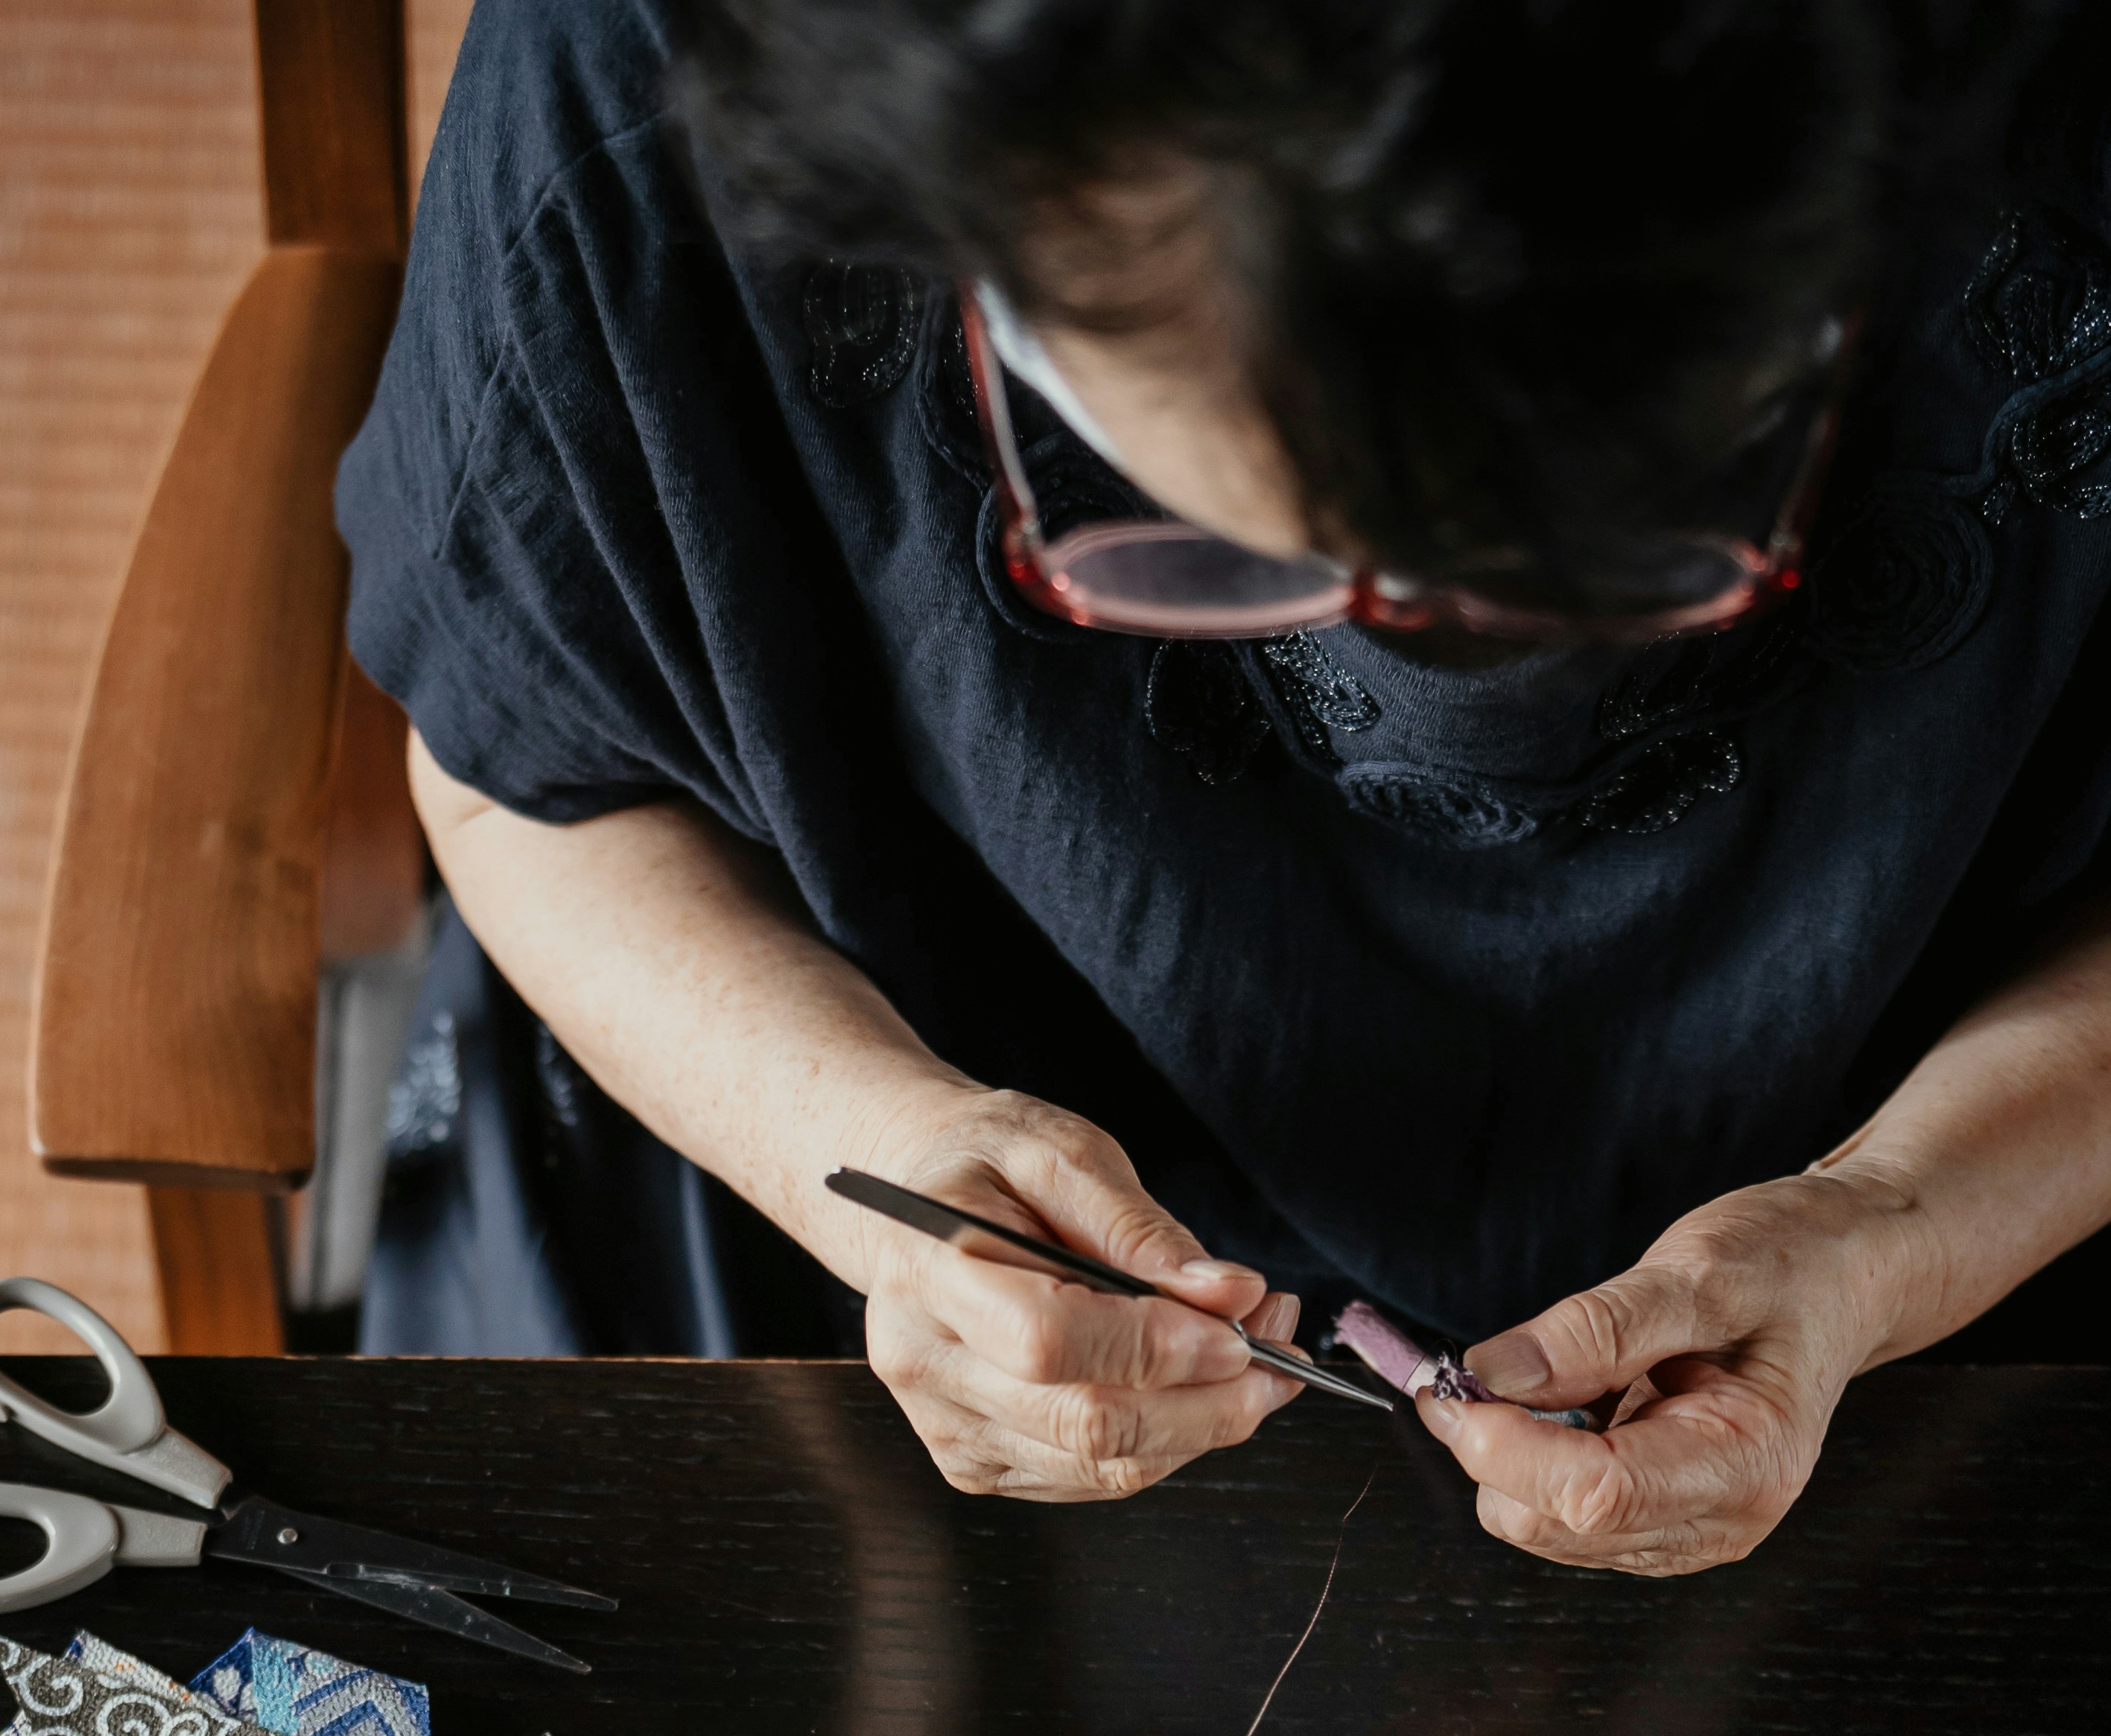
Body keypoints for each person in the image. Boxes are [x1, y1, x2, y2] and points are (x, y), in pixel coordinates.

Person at [338, 0, 2111, 1577]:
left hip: (1990, 1218)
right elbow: (532, 780)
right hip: (817, 1248)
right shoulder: (661, 62)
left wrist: (1895, 1234)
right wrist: (865, 1154)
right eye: (1224, 543)